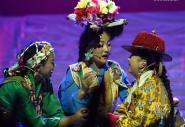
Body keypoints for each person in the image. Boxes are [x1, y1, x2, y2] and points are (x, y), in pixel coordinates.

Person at [58, 0, 130, 127]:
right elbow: (67, 106)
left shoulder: (115, 69)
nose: (106, 50)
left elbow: (129, 100)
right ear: (89, 47)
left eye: (108, 44)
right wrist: (82, 92)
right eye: (100, 45)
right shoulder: (76, 72)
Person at [0, 41, 87, 127]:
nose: (54, 66)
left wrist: (67, 120)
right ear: (38, 66)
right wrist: (71, 119)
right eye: (52, 62)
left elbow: (55, 112)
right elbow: (36, 124)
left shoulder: (43, 82)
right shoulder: (18, 86)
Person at [111, 31, 175, 127]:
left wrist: (112, 120)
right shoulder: (141, 84)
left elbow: (138, 124)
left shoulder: (150, 88)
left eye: (132, 55)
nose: (128, 59)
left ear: (143, 64)